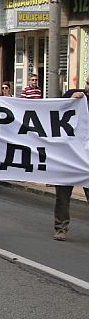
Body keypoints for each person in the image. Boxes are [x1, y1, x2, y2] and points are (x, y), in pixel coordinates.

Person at [52, 77, 89, 241]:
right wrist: (70, 100)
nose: (87, 86)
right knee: (62, 195)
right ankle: (61, 228)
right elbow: (56, 109)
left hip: (86, 157)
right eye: (87, 82)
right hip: (68, 156)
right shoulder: (75, 96)